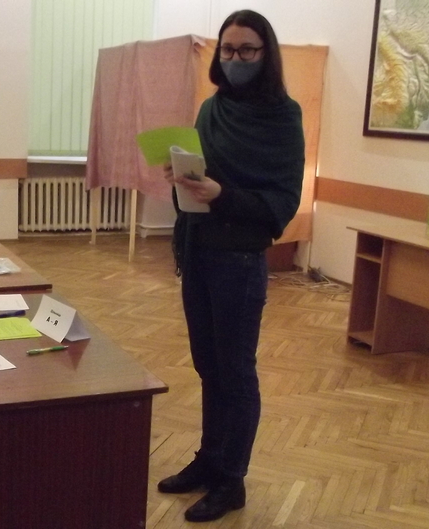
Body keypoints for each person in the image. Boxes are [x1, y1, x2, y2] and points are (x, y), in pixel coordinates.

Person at [156, 10, 305, 523]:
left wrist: (221, 194)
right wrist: (182, 178)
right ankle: (209, 459)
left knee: (236, 373)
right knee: (208, 367)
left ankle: (231, 480)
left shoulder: (283, 117)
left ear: (266, 55)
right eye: (227, 49)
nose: (235, 58)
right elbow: (200, 178)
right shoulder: (211, 108)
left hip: (239, 261)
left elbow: (281, 203)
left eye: (246, 50)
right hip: (197, 249)